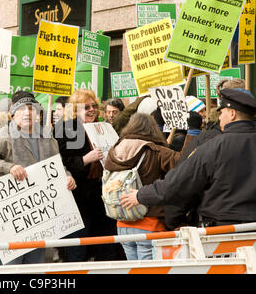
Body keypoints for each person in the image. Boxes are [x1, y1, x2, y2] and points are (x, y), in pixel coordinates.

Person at [120, 88, 256, 228]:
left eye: (221, 113)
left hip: (222, 229)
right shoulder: (214, 146)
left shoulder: (214, 147)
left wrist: (141, 195)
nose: (219, 117)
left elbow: (178, 182)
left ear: (232, 114)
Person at [0, 91, 76, 265]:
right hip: (13, 217)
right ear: (13, 113)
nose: (27, 112)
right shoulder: (2, 135)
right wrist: (9, 167)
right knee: (10, 267)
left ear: (38, 113)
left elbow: (58, 166)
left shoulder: (47, 137)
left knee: (35, 265)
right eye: (22, 109)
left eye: (31, 108)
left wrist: (67, 176)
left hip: (41, 217)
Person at [54, 89, 126, 262]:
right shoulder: (64, 129)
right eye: (86, 107)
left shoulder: (103, 128)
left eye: (94, 106)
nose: (92, 109)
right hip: (78, 201)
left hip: (103, 199)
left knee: (106, 248)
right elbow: (58, 163)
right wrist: (85, 160)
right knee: (77, 251)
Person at [104, 113, 181, 260]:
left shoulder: (115, 150)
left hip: (122, 222)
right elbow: (184, 166)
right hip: (149, 224)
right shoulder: (156, 151)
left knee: (133, 268)